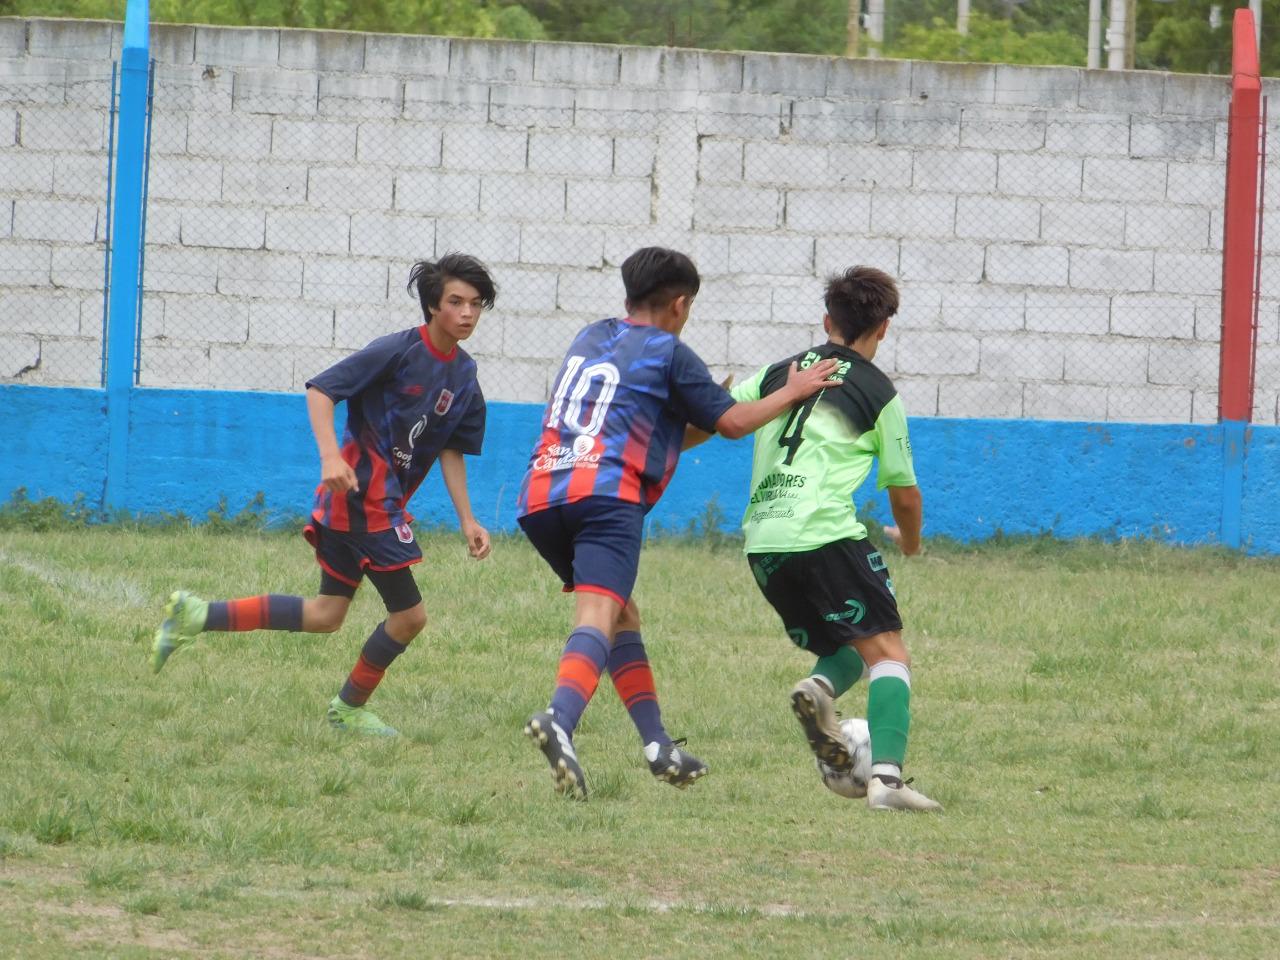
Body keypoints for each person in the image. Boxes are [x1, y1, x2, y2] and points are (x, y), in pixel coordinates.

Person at [517, 246, 838, 799]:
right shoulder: (670, 351)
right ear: (681, 304)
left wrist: (700, 419)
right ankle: (560, 719)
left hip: (545, 493)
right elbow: (734, 423)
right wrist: (792, 390)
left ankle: (658, 746)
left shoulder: (591, 336)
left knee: (622, 614)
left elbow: (649, 426)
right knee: (598, 613)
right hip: (606, 497)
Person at [149, 253, 497, 737]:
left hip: (360, 506)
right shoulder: (396, 352)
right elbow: (321, 390)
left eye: (476, 304)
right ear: (433, 307)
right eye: (456, 302)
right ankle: (348, 709)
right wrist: (331, 457)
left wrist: (468, 520)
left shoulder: (464, 376)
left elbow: (452, 450)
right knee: (410, 616)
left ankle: (196, 614)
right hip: (363, 501)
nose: (467, 313)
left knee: (326, 615)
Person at [725, 265, 942, 812]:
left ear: (827, 321)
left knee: (845, 647)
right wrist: (911, 542)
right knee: (890, 651)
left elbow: (722, 413)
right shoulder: (877, 391)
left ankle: (817, 692)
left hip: (765, 541)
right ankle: (887, 783)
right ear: (884, 328)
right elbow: (905, 494)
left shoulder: (780, 372)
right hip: (823, 533)